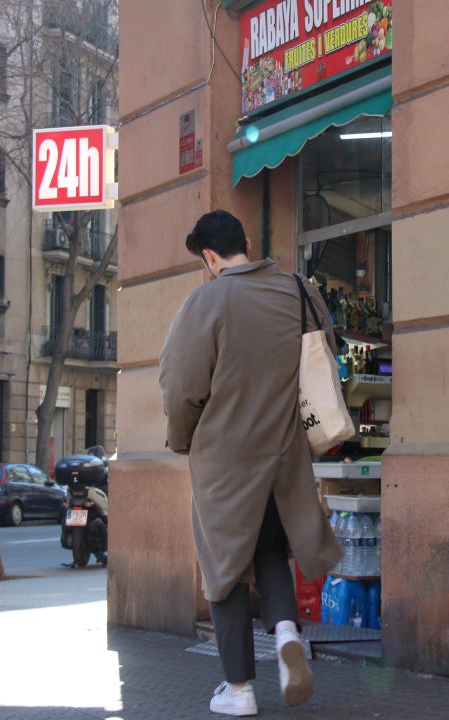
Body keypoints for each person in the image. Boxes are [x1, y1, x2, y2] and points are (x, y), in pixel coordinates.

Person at [159, 209, 343, 717]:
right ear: (246, 242)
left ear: (211, 257)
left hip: (223, 463)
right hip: (284, 458)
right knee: (269, 552)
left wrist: (182, 440)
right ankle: (286, 633)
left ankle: (238, 690)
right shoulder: (297, 290)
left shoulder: (206, 301)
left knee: (225, 570)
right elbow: (325, 358)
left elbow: (181, 388)